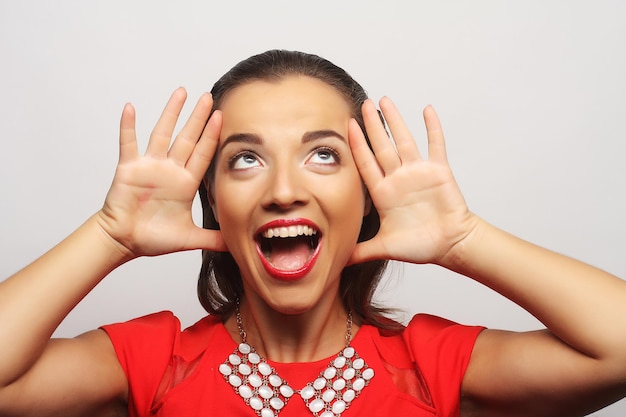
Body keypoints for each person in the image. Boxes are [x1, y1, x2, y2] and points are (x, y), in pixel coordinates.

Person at [0, 49, 625, 417]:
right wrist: (110, 234)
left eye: (323, 155)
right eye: (244, 158)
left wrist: (465, 240)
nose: (282, 190)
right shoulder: (153, 363)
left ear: (367, 193)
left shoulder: (433, 367)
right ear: (212, 197)